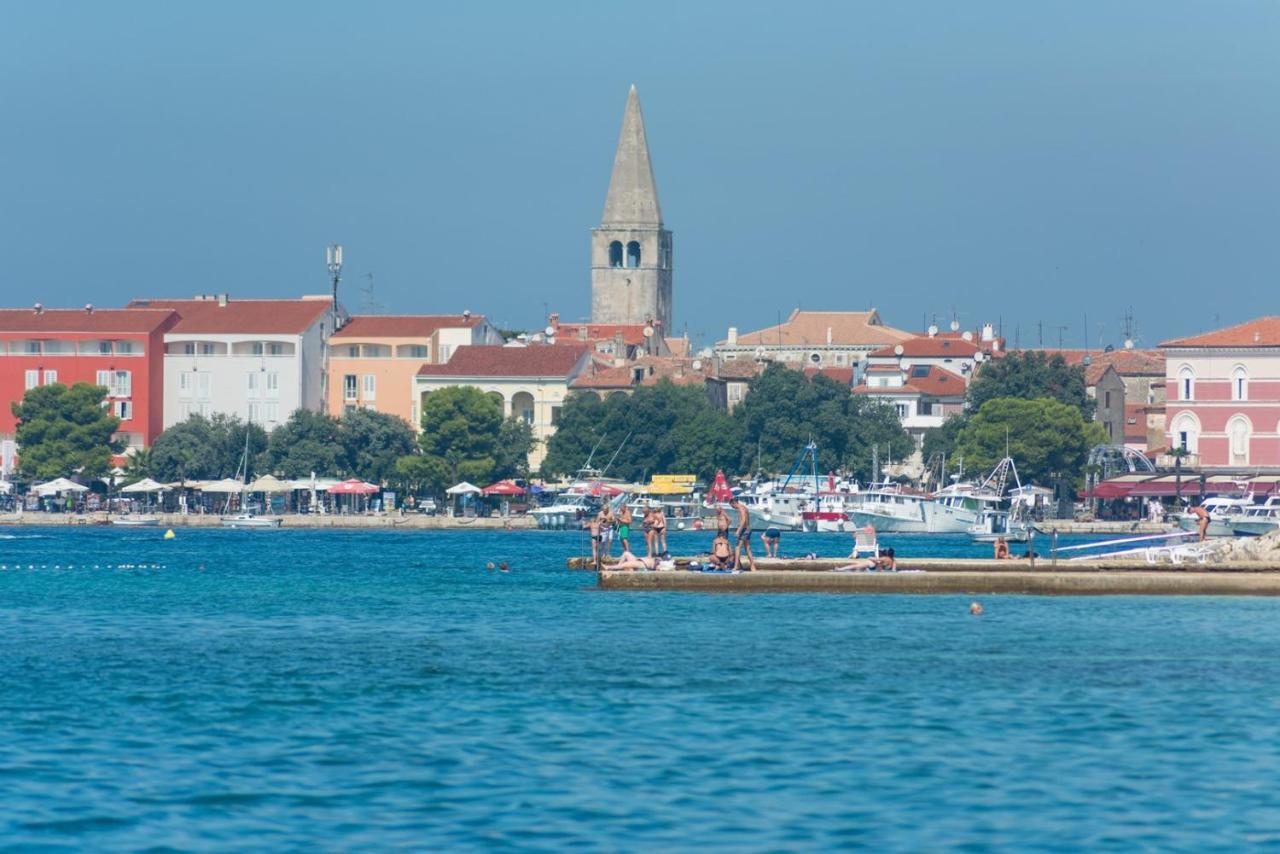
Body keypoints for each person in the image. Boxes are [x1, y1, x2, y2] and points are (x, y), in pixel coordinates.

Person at [729, 497, 755, 571]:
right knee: (747, 548)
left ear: (734, 503)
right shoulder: (744, 507)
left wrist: (738, 531)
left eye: (732, 506)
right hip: (748, 529)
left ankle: (736, 566)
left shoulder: (741, 508)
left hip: (744, 530)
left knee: (737, 547)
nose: (733, 508)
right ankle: (753, 567)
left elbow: (743, 520)